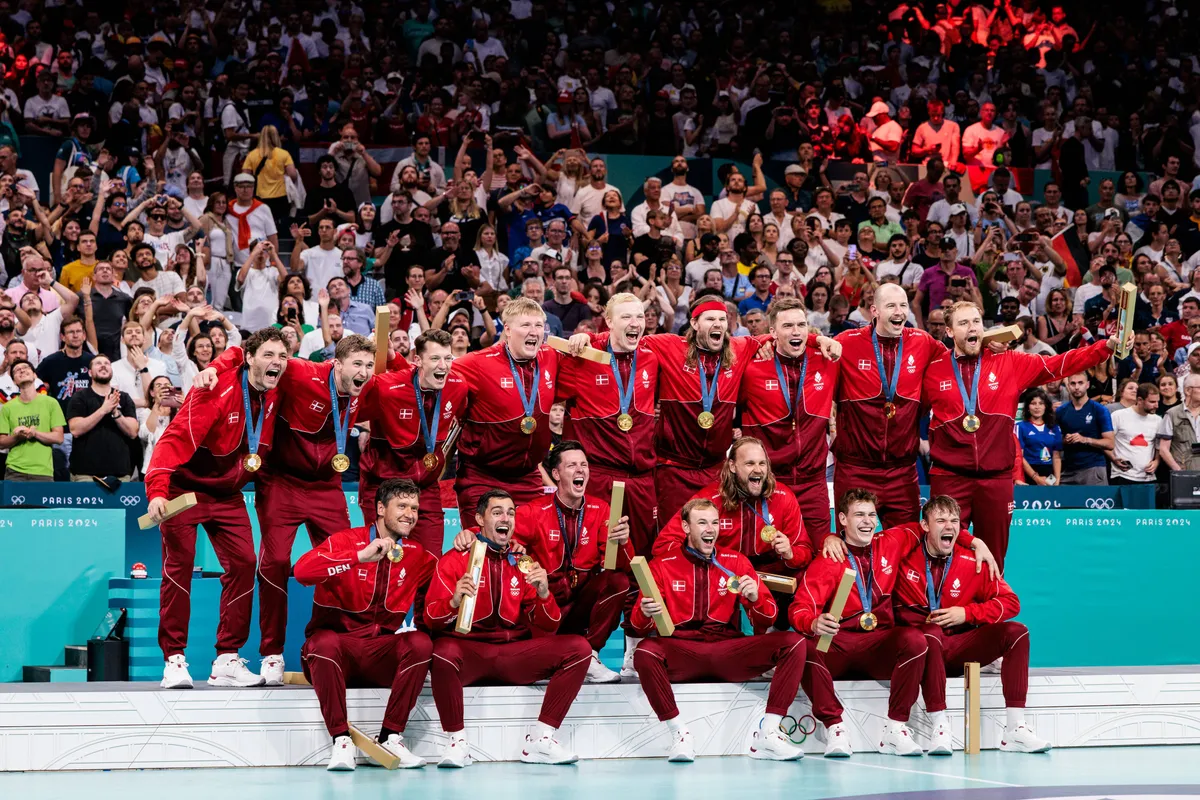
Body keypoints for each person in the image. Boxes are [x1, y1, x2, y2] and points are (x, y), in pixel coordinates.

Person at [195, 334, 377, 684]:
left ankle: (347, 643)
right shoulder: (300, 372)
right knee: (275, 562)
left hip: (327, 486)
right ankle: (272, 653)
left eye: (369, 365)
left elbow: (401, 372)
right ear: (336, 364)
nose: (364, 372)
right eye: (357, 364)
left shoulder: (365, 387)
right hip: (281, 482)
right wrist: (213, 368)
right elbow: (244, 354)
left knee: (347, 561)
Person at [791, 489, 996, 758]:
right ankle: (835, 728)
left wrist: (974, 541)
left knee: (914, 639)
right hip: (840, 643)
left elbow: (935, 526)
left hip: (878, 642)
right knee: (803, 648)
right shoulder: (829, 559)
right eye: (859, 515)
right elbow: (799, 608)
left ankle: (896, 728)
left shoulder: (891, 540)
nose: (867, 521)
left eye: (871, 515)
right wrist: (814, 622)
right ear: (842, 519)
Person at [924, 302, 1125, 567]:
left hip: (995, 478)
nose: (972, 327)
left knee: (993, 559)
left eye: (976, 322)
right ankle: (943, 606)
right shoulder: (933, 369)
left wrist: (1105, 347)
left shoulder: (1009, 362)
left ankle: (987, 608)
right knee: (939, 553)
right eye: (963, 323)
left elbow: (1059, 364)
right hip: (949, 476)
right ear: (949, 331)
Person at [144, 328, 288, 690]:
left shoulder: (273, 388)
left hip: (227, 494)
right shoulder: (215, 392)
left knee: (243, 563)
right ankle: (174, 659)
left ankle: (226, 659)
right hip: (184, 490)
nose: (277, 363)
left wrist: (229, 357)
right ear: (250, 358)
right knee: (179, 569)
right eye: (269, 355)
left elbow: (242, 351)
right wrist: (157, 492)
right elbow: (171, 440)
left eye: (282, 356)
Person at [630, 497, 808, 763]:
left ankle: (769, 732)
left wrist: (756, 597)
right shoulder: (662, 564)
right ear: (685, 527)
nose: (710, 529)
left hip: (726, 650)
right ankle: (679, 734)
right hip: (683, 650)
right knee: (644, 652)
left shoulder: (734, 561)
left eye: (714, 522)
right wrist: (644, 613)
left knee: (793, 642)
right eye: (702, 522)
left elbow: (768, 615)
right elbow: (637, 625)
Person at [424, 490, 591, 767]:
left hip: (514, 654)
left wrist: (544, 594)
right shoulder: (455, 558)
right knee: (442, 651)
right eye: (498, 512)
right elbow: (431, 618)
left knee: (579, 649)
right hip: (472, 653)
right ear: (479, 519)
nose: (506, 518)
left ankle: (542, 737)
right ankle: (457, 742)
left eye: (511, 513)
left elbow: (548, 627)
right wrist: (454, 602)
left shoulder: (524, 562)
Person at [293, 478, 436, 771]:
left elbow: (446, 583)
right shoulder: (346, 540)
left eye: (414, 508)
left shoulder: (416, 555)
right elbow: (302, 571)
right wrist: (358, 557)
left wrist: (470, 540)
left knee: (420, 643)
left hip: (379, 655)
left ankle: (391, 735)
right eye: (402, 506)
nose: (410, 514)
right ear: (381, 508)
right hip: (335, 654)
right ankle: (341, 740)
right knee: (323, 642)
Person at [467, 440, 635, 684]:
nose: (580, 470)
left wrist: (624, 542)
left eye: (584, 465)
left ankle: (589, 654)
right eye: (572, 466)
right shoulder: (536, 511)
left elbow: (621, 566)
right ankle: (555, 654)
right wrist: (470, 533)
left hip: (579, 605)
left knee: (617, 581)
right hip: (545, 609)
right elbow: (496, 530)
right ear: (556, 474)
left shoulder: (601, 509)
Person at [895, 495, 1052, 754]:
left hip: (957, 647)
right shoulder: (904, 555)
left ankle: (1015, 729)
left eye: (955, 521)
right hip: (918, 650)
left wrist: (967, 614)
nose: (949, 526)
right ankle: (940, 727)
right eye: (941, 520)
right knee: (930, 634)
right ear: (924, 526)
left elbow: (1011, 602)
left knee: (1017, 632)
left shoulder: (974, 560)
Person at [834, 283, 945, 528]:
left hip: (902, 472)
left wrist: (990, 345)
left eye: (904, 305)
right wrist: (769, 341)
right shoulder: (846, 343)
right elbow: (808, 352)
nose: (899, 312)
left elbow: (958, 356)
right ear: (874, 310)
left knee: (905, 549)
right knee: (851, 549)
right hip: (856, 469)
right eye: (891, 306)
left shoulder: (923, 343)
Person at [557, 294, 660, 556]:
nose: (635, 323)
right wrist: (590, 339)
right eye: (626, 317)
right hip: (600, 477)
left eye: (639, 316)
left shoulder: (652, 358)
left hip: (642, 480)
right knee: (595, 554)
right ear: (609, 322)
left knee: (641, 555)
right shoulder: (584, 359)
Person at [654, 437, 813, 603]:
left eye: (762, 463)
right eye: (750, 463)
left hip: (768, 575)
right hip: (720, 572)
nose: (758, 470)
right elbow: (664, 544)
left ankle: (776, 626)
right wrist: (703, 558)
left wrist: (790, 553)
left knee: (803, 576)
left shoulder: (784, 497)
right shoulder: (709, 499)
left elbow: (805, 550)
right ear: (732, 466)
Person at [448, 298, 563, 520]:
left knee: (530, 551)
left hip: (528, 477)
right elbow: (434, 373)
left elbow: (596, 358)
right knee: (483, 548)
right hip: (482, 476)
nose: (534, 332)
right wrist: (392, 359)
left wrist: (586, 337)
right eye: (526, 325)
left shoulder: (551, 357)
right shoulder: (478, 362)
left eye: (539, 325)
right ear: (507, 330)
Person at [357, 329, 469, 555]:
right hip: (384, 484)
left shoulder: (458, 385)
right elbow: (350, 410)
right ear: (417, 359)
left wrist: (393, 358)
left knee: (430, 560)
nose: (443, 366)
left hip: (425, 487)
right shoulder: (386, 387)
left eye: (448, 358)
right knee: (381, 560)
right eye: (435, 358)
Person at [740, 297, 840, 538]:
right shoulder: (751, 367)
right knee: (769, 555)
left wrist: (820, 339)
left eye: (801, 325)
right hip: (769, 482)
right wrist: (762, 341)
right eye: (787, 326)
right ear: (773, 331)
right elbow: (730, 344)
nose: (796, 331)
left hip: (813, 482)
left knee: (820, 550)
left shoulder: (827, 361)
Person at [65, 354, 139, 481]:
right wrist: (103, 410)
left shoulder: (124, 398)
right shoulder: (80, 397)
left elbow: (132, 432)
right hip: (85, 474)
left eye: (107, 363)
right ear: (89, 373)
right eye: (98, 363)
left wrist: (116, 413)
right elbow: (75, 430)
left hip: (120, 474)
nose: (103, 365)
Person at [0, 358, 64, 479]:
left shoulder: (51, 403)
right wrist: (18, 436)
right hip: (14, 470)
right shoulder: (7, 408)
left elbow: (59, 437)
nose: (22, 371)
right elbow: (1, 443)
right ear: (14, 381)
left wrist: (35, 433)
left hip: (43, 471)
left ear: (34, 375)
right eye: (17, 370)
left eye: (26, 368)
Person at [1055, 372, 1114, 485]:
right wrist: (1064, 440)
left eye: (1080, 383)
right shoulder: (1061, 411)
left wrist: (1084, 439)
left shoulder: (1099, 410)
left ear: (1087, 385)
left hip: (1093, 468)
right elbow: (1056, 442)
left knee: (1096, 502)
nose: (1076, 387)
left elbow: (1110, 443)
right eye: (1073, 383)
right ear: (1068, 386)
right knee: (1067, 503)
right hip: (1068, 468)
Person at [1108, 382, 1161, 484]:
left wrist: (1156, 461)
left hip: (1147, 477)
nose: (1156, 405)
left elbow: (1158, 446)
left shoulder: (1158, 420)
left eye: (1157, 401)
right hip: (1122, 475)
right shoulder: (1118, 416)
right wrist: (1114, 459)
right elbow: (1106, 441)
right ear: (1140, 400)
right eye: (1152, 402)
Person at [1016, 388, 1063, 486]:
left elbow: (1056, 456)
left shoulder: (1054, 428)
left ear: (1046, 406)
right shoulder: (1020, 427)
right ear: (1028, 407)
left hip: (1049, 474)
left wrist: (1057, 479)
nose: (1037, 407)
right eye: (1033, 403)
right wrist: (1036, 477)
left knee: (1050, 499)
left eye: (1041, 403)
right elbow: (1020, 456)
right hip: (1029, 472)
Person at [1158, 374, 1200, 472]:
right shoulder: (1172, 414)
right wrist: (1179, 472)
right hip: (1184, 472)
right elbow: (1163, 450)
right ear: (1188, 391)